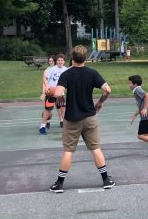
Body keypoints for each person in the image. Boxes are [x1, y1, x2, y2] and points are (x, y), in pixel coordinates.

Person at [49, 45, 115, 193]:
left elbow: (58, 93)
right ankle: (106, 179)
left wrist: (60, 101)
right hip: (89, 117)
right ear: (86, 58)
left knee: (68, 151)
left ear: (72, 58)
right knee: (95, 148)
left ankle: (59, 184)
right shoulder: (92, 73)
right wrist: (100, 103)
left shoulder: (66, 74)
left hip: (72, 119)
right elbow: (107, 90)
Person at [39, 54, 67, 135]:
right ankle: (42, 127)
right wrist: (47, 86)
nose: (60, 62)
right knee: (48, 110)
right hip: (51, 92)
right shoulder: (52, 69)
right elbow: (44, 77)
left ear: (64, 61)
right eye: (58, 60)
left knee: (63, 109)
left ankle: (65, 125)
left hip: (60, 93)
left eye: (61, 60)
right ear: (56, 61)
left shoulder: (66, 70)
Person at [42, 56, 55, 130]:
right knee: (48, 108)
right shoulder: (46, 70)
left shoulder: (58, 69)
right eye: (49, 61)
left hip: (57, 91)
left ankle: (63, 122)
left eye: (52, 61)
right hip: (49, 92)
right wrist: (43, 92)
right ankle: (47, 122)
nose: (51, 62)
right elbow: (44, 82)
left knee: (62, 107)